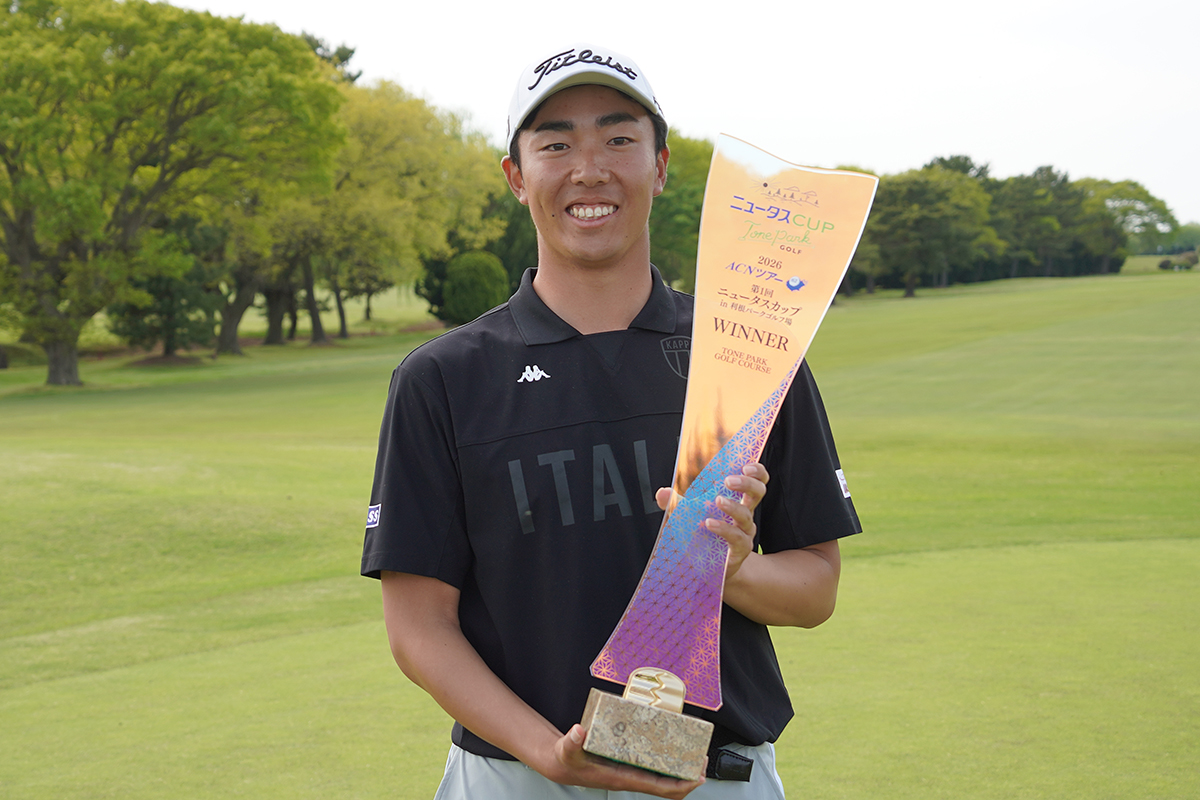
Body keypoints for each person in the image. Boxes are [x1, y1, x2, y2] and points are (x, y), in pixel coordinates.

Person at [361, 43, 861, 800]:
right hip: (515, 778)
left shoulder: (751, 358)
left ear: (660, 167)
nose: (588, 169)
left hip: (716, 778)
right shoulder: (443, 379)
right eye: (555, 143)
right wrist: (549, 752)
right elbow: (419, 628)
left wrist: (740, 571)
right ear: (515, 176)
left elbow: (816, 587)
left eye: (619, 139)